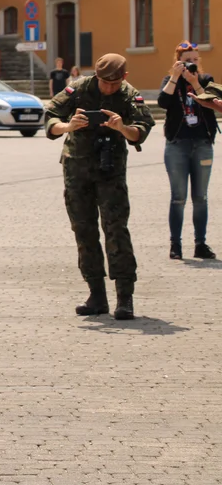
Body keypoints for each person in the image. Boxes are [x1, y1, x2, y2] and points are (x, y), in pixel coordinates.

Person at [45, 54, 155, 320]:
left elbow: (142, 129)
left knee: (116, 229)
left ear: (124, 78)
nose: (108, 88)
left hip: (110, 171)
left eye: (114, 83)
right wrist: (69, 125)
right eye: (104, 82)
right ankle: (96, 294)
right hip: (76, 169)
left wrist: (122, 127)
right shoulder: (79, 88)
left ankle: (124, 297)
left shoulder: (129, 95)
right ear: (96, 76)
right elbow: (50, 118)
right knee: (84, 230)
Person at [158, 42, 217, 260]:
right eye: (187, 60)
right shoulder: (170, 81)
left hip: (202, 144)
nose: (191, 64)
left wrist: (195, 84)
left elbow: (212, 103)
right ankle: (176, 244)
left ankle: (200, 243)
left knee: (200, 197)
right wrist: (175, 77)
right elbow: (163, 102)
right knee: (178, 198)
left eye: (194, 60)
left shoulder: (205, 80)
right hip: (177, 145)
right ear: (178, 62)